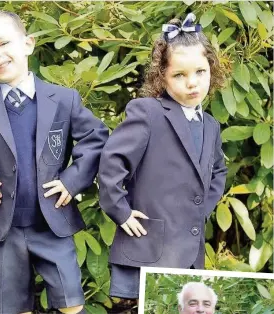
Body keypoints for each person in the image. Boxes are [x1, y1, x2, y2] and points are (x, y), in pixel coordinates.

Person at [0, 8, 108, 314]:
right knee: (10, 307)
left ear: (27, 44)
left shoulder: (63, 100)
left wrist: (72, 179)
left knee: (71, 302)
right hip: (4, 227)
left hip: (52, 223)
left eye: (4, 44)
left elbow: (97, 138)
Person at [98, 13, 228, 300]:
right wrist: (120, 210)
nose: (192, 83)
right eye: (179, 75)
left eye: (200, 72)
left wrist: (201, 209)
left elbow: (218, 172)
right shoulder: (148, 112)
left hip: (188, 251)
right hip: (149, 245)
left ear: (211, 70)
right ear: (162, 77)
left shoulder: (211, 125)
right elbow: (112, 162)